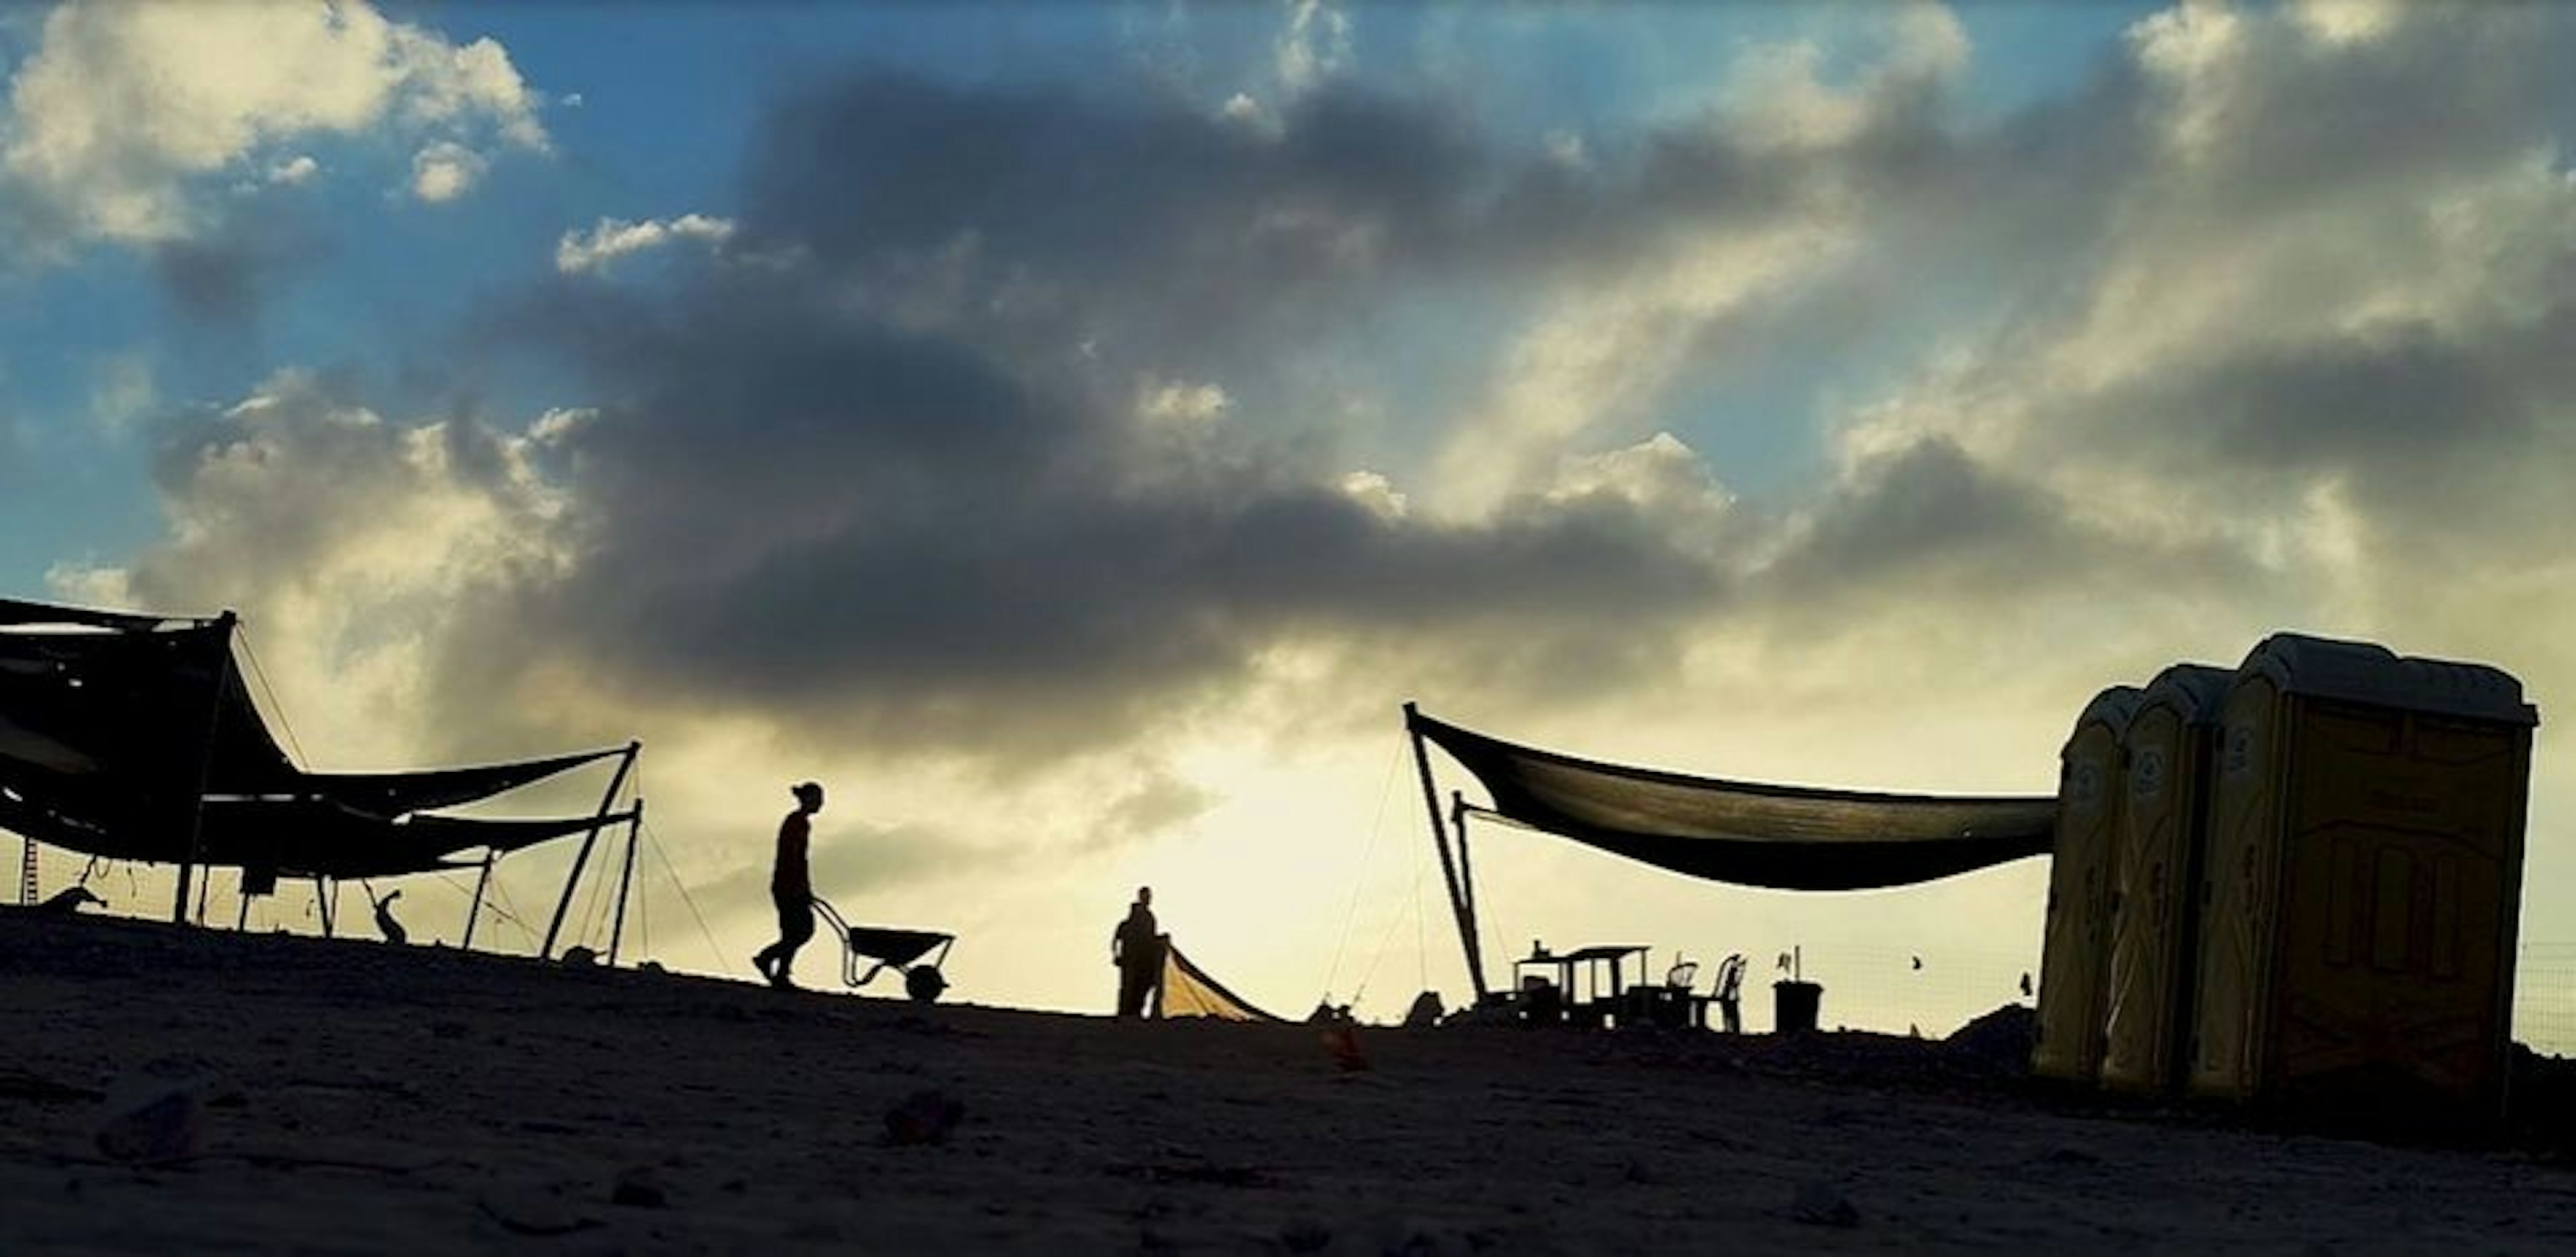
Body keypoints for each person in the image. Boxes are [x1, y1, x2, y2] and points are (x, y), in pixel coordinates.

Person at [752, 781, 825, 989]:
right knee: (802, 931)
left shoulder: (801, 822)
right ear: (808, 800)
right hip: (788, 886)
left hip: (789, 885)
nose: (821, 804)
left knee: (793, 932)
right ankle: (768, 960)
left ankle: (781, 973)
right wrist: (800, 887)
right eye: (818, 799)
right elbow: (793, 857)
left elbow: (800, 859)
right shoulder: (796, 823)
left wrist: (805, 886)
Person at [1112, 886, 1163, 1018]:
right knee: (1130, 988)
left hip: (1143, 961)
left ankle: (1133, 1013)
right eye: (1146, 897)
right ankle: (1126, 1013)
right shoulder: (1130, 923)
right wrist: (1116, 955)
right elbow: (1117, 939)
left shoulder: (1149, 918)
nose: (1148, 900)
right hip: (1132, 960)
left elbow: (1150, 938)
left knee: (1140, 987)